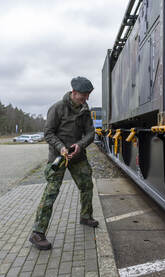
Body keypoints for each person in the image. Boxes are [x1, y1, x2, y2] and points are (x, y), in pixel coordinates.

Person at [29, 76, 98, 250]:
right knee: (51, 193)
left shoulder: (85, 110)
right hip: (59, 158)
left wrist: (80, 145)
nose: (86, 98)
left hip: (77, 157)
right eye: (84, 95)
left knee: (87, 185)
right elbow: (48, 133)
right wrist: (61, 147)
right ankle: (37, 233)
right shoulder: (57, 108)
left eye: (88, 95)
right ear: (74, 93)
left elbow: (91, 133)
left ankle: (86, 216)